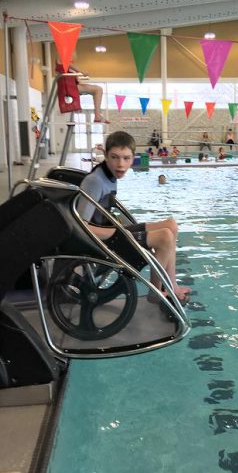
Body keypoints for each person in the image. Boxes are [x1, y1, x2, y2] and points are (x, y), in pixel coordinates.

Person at [78, 131, 191, 302]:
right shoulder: (95, 181)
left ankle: (172, 285)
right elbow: (80, 225)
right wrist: (116, 233)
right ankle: (155, 292)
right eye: (115, 157)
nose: (120, 164)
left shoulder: (107, 174)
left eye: (126, 158)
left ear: (133, 158)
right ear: (106, 156)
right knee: (165, 237)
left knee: (171, 225)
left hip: (110, 232)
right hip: (100, 240)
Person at [57, 59, 109, 123]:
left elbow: (76, 79)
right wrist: (82, 71)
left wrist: (77, 77)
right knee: (98, 89)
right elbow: (65, 62)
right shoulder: (62, 59)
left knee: (98, 90)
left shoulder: (69, 68)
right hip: (68, 87)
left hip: (72, 86)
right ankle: (97, 116)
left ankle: (97, 115)